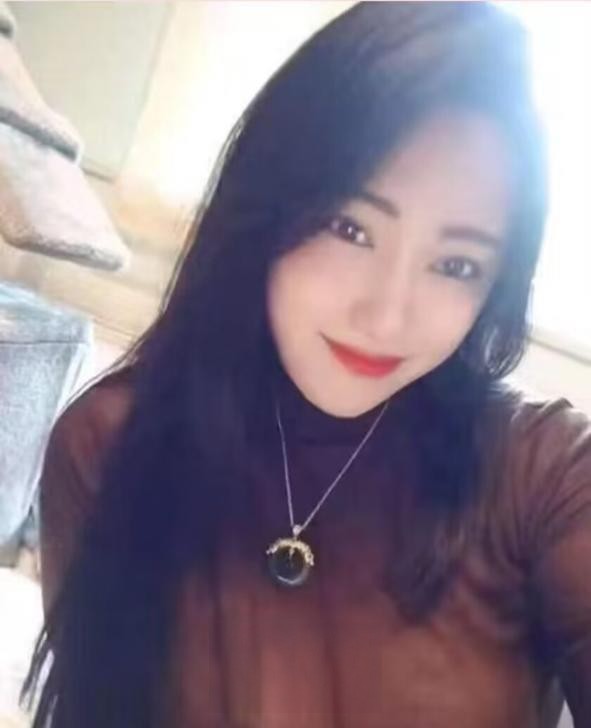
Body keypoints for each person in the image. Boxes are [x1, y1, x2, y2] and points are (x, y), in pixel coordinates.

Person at [24, 2, 591, 727]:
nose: (386, 317)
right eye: (349, 227)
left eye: (456, 265)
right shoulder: (113, 443)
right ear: (268, 208)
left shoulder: (543, 473)